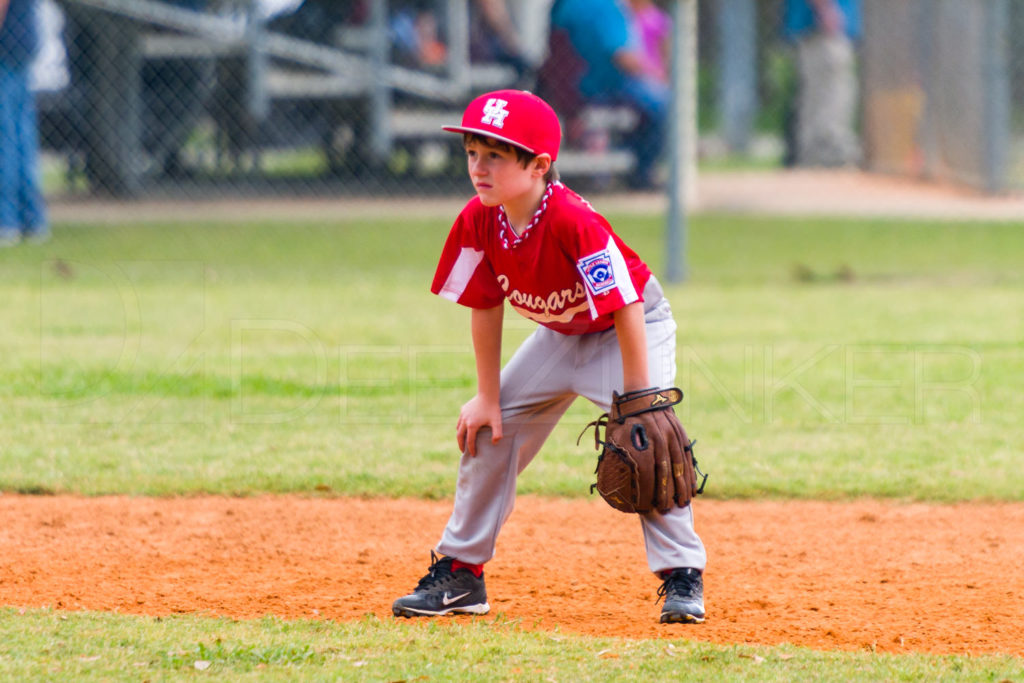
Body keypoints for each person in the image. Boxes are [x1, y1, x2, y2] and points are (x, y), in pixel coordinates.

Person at [391, 90, 707, 625]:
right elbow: (485, 306)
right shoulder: (480, 219)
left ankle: (683, 576)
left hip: (630, 329)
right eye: (472, 152)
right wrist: (488, 398)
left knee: (649, 443)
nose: (479, 167)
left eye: (496, 154)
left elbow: (626, 305)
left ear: (539, 166)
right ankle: (462, 575)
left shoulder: (572, 219)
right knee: (489, 430)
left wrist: (636, 402)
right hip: (561, 335)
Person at [548, 0, 669, 189]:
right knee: (664, 101)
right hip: (602, 87)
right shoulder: (605, 6)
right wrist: (656, 75)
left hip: (569, 86)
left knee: (654, 99)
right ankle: (642, 173)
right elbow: (622, 57)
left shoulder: (563, 5)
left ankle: (632, 166)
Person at [783, 0, 862, 167]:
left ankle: (814, 156)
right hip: (823, 27)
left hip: (818, 26)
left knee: (818, 95)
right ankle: (830, 153)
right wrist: (826, 9)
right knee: (833, 92)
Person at [0, 0, 48, 246]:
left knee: (5, 140)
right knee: (21, 137)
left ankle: (6, 221)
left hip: (5, 48)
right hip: (21, 42)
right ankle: (32, 219)